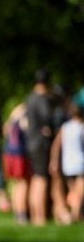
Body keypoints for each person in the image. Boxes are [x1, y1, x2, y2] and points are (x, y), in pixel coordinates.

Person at [25, 70, 56, 226]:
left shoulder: (30, 98)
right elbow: (47, 118)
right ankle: (41, 216)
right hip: (41, 144)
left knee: (36, 178)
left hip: (31, 142)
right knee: (42, 179)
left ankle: (35, 214)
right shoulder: (42, 99)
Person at [55, 98, 84, 222]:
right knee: (79, 191)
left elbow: (56, 145)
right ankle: (75, 214)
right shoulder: (81, 127)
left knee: (73, 191)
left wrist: (54, 161)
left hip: (68, 164)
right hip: (80, 162)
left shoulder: (65, 127)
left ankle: (71, 213)